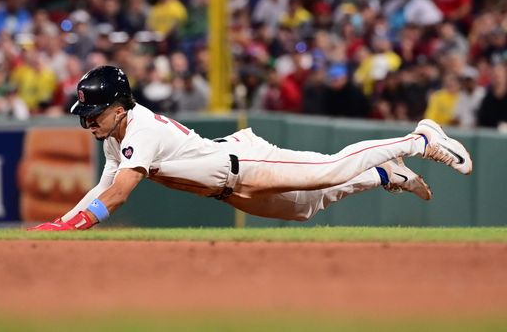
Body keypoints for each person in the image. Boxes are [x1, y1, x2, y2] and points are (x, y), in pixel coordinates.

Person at [29, 65, 472, 231]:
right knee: (306, 207)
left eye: (96, 112)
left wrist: (78, 224)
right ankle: (383, 174)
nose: (89, 120)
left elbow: (118, 194)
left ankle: (420, 139)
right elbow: (103, 185)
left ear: (121, 108)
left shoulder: (140, 129)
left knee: (331, 168)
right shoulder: (116, 135)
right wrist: (62, 221)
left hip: (240, 162)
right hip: (228, 188)